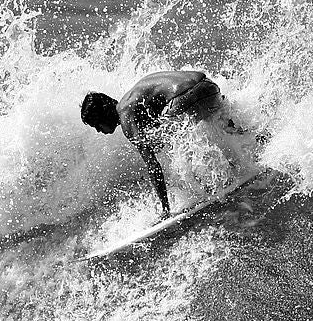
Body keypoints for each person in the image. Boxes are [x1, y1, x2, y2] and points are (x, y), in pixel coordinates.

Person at [80, 70, 228, 218]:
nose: (99, 130)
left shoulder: (125, 114)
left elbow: (153, 166)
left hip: (186, 98)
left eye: (96, 125)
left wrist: (165, 209)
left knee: (175, 140)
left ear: (104, 114)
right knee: (218, 126)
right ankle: (241, 141)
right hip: (209, 88)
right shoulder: (134, 97)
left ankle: (211, 184)